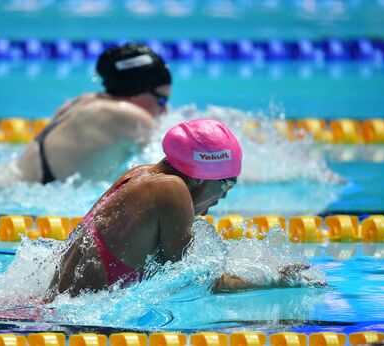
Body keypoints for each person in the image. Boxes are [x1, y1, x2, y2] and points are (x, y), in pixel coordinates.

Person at [44, 118, 315, 301]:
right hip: (78, 329)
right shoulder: (170, 190)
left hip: (54, 314)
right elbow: (194, 281)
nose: (223, 196)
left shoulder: (139, 175)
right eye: (226, 184)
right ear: (197, 177)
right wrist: (273, 279)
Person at [17, 42, 172, 183]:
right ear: (137, 92)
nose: (164, 110)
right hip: (37, 194)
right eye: (162, 100)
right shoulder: (133, 117)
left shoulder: (83, 101)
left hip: (16, 180)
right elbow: (166, 173)